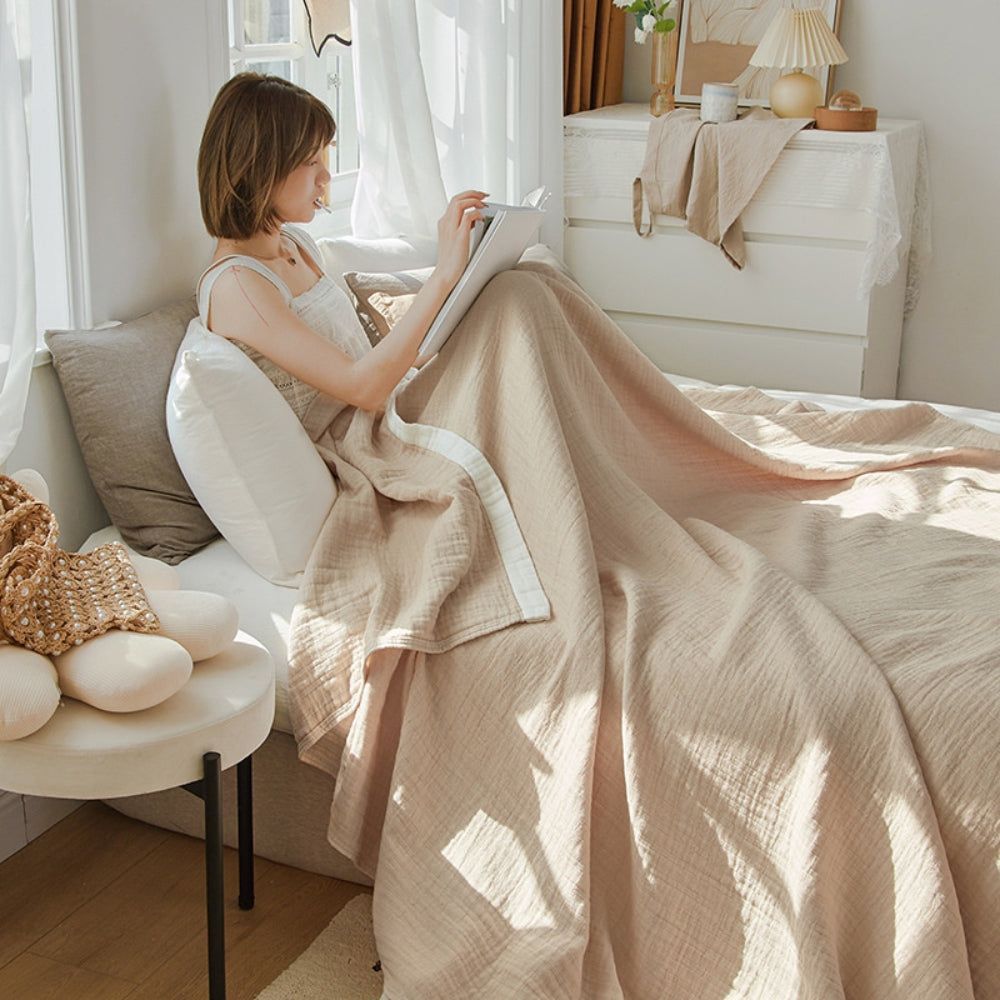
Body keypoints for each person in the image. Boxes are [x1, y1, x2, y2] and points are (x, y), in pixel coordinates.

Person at [196, 71, 487, 414]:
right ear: (257, 168)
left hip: (395, 402)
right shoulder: (236, 287)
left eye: (324, 156)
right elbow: (361, 388)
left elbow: (367, 358)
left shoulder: (296, 244)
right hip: (365, 439)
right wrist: (443, 275)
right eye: (310, 161)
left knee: (512, 299)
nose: (326, 177)